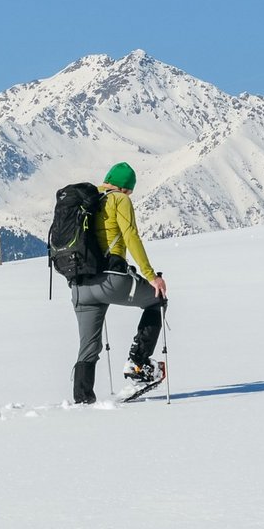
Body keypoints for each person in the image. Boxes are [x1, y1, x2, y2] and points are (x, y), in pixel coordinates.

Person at [70, 161, 168, 404]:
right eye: (130, 191)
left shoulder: (84, 201)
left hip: (80, 287)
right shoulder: (119, 200)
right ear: (125, 188)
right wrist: (151, 276)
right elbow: (130, 236)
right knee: (157, 300)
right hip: (112, 280)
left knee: (88, 347)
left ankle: (83, 400)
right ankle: (139, 364)